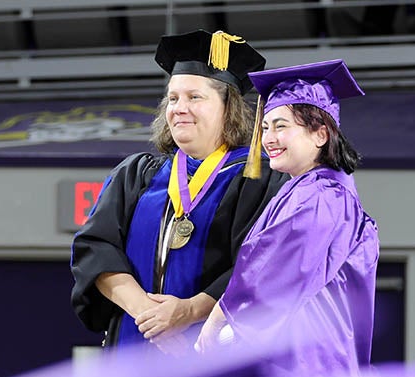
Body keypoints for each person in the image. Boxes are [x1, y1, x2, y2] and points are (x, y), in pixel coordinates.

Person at [70, 29, 289, 354]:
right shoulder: (137, 174)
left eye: (194, 97)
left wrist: (188, 312)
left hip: (209, 353)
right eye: (173, 98)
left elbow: (262, 264)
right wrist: (150, 316)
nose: (178, 108)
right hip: (133, 347)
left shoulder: (257, 178)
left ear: (228, 107)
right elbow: (97, 250)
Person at [195, 59, 380, 377]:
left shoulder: (324, 195)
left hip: (306, 371)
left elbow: (274, 272)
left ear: (320, 134)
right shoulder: (307, 188)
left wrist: (217, 322)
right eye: (265, 128)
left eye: (281, 126)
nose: (268, 138)